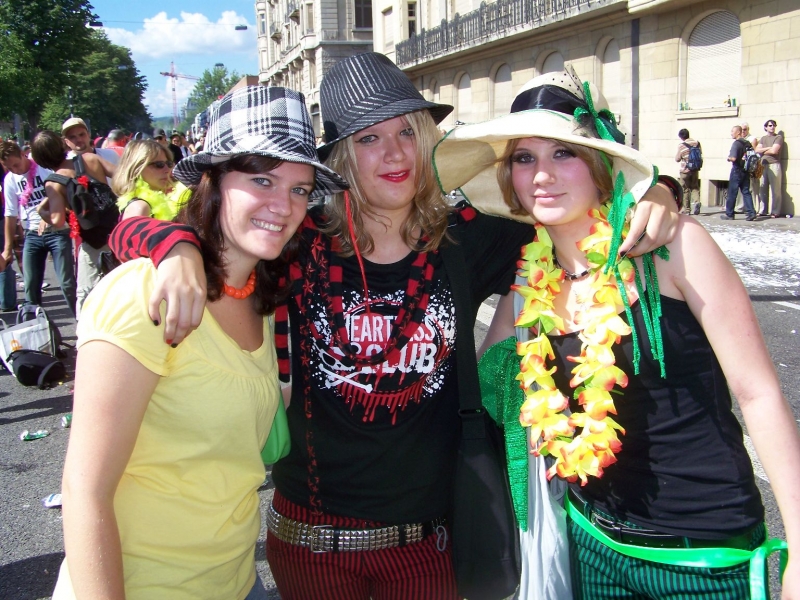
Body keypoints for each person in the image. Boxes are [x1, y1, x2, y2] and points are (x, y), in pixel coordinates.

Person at [108, 52, 680, 599]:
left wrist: (656, 191)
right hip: (312, 546)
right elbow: (143, 231)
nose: (394, 154)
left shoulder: (463, 238)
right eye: (368, 138)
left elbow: (571, 214)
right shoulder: (297, 240)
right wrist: (175, 246)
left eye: (407, 132)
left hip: (429, 544)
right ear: (338, 158)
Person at [435, 69, 800, 600]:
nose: (542, 175)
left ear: (601, 162)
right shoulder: (528, 283)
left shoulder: (675, 250)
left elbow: (759, 393)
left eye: (564, 152)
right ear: (510, 177)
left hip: (700, 552)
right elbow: (494, 389)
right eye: (524, 158)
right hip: (590, 542)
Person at [52, 86, 348, 600]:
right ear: (212, 181)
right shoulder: (144, 295)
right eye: (262, 179)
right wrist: (172, 246)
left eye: (300, 189)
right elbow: (85, 491)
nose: (284, 205)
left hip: (235, 581)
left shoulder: (266, 297)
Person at [30, 130, 117, 318]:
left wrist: (41, 211)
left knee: (86, 294)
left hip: (93, 241)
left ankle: (87, 335)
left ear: (40, 160)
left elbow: (57, 220)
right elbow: (122, 177)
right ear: (62, 145)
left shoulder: (53, 183)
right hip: (118, 230)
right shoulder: (90, 159)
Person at [0, 140, 77, 317]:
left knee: (67, 283)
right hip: (32, 234)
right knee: (31, 284)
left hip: (57, 232)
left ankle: (82, 323)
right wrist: (7, 248)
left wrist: (49, 215)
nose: (15, 170)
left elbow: (65, 196)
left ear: (23, 154)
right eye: (9, 167)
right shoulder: (11, 180)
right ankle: (35, 330)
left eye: (16, 164)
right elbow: (10, 214)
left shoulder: (44, 170)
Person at [112, 139, 187, 221]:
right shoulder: (140, 207)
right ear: (136, 168)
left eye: (169, 164)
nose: (167, 169)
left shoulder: (157, 201)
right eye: (159, 165)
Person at [722, 125, 756, 221]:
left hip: (737, 170)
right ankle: (751, 212)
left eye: (732, 131)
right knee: (746, 192)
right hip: (746, 170)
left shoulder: (736, 144)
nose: (731, 133)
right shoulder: (747, 143)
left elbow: (733, 158)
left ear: (738, 132)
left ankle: (729, 214)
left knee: (732, 193)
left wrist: (729, 158)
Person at [755, 119, 784, 218]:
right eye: (770, 125)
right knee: (762, 188)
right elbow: (757, 150)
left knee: (775, 189)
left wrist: (763, 151)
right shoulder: (763, 138)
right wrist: (768, 148)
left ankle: (775, 211)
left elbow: (774, 151)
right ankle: (763, 210)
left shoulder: (778, 137)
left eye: (774, 125)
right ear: (766, 127)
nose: (772, 127)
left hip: (774, 164)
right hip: (763, 164)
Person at [675, 128, 700, 215]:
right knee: (695, 187)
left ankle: (687, 209)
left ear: (681, 137)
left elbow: (677, 159)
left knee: (685, 189)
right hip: (695, 169)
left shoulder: (681, 145)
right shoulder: (697, 143)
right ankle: (697, 202)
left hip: (685, 170)